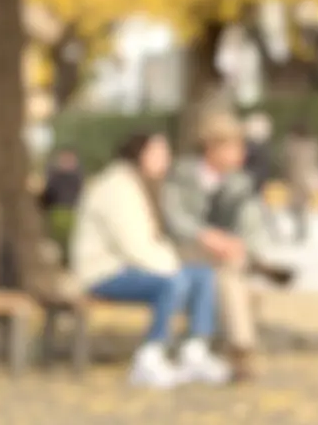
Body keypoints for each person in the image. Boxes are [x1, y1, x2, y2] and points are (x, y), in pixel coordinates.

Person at [69, 131, 230, 388]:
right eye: (159, 153)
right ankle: (150, 355)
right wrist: (174, 266)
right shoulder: (117, 187)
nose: (166, 159)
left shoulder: (142, 184)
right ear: (140, 154)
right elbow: (135, 246)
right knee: (173, 282)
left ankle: (195, 351)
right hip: (104, 273)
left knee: (202, 276)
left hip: (131, 267)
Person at [159, 110, 294, 383]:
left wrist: (240, 245)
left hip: (224, 258)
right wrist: (206, 236)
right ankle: (240, 349)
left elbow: (251, 224)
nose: (240, 154)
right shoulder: (183, 175)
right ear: (212, 147)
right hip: (186, 250)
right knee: (234, 277)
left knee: (230, 273)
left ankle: (238, 348)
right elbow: (174, 217)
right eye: (234, 146)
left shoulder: (239, 183)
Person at [283, 121, 318, 242]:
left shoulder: (293, 145)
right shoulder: (313, 144)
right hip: (307, 179)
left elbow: (289, 162)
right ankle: (301, 232)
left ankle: (300, 232)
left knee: (296, 208)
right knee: (300, 208)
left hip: (299, 179)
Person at [243, 111, 281, 239]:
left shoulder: (253, 147)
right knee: (262, 209)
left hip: (253, 183)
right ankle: (273, 233)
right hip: (257, 182)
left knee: (259, 209)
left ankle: (272, 233)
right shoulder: (264, 146)